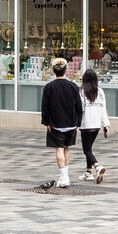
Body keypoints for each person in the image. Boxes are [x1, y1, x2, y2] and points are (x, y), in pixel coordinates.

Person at [39, 57, 83, 189]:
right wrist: (78, 122)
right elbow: (78, 106)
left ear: (53, 70)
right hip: (71, 122)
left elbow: (45, 106)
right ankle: (65, 175)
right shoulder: (73, 86)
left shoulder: (49, 87)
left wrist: (46, 121)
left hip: (55, 123)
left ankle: (64, 176)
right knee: (66, 147)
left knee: (59, 148)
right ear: (66, 71)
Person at [77, 68, 109, 183]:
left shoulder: (81, 92)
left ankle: (97, 166)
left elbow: (80, 109)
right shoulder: (100, 91)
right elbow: (103, 109)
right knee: (89, 148)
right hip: (97, 124)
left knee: (87, 150)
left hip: (86, 124)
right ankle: (88, 172)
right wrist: (106, 125)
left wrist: (76, 122)